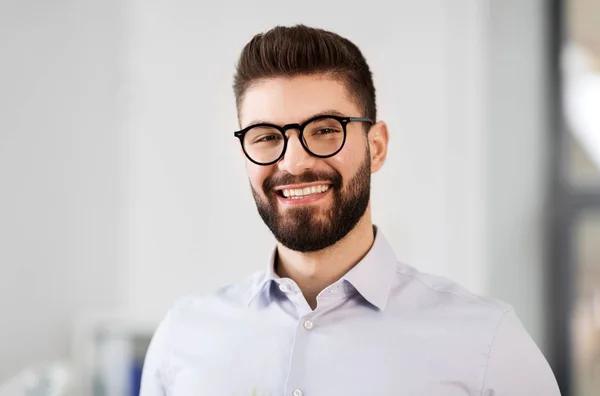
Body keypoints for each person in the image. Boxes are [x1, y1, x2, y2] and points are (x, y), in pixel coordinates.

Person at [140, 25, 561, 396]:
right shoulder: (182, 337)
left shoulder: (486, 344)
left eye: (324, 131)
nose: (293, 163)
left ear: (375, 147)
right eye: (266, 137)